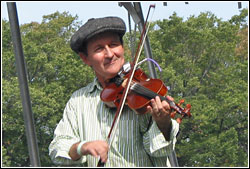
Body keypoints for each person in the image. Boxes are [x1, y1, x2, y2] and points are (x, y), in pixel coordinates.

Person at [49, 16, 179, 167]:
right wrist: (82, 147)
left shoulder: (144, 95)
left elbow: (159, 151)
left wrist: (163, 123)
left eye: (114, 45)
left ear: (123, 48)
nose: (110, 54)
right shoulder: (78, 101)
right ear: (85, 58)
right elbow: (58, 147)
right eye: (99, 49)